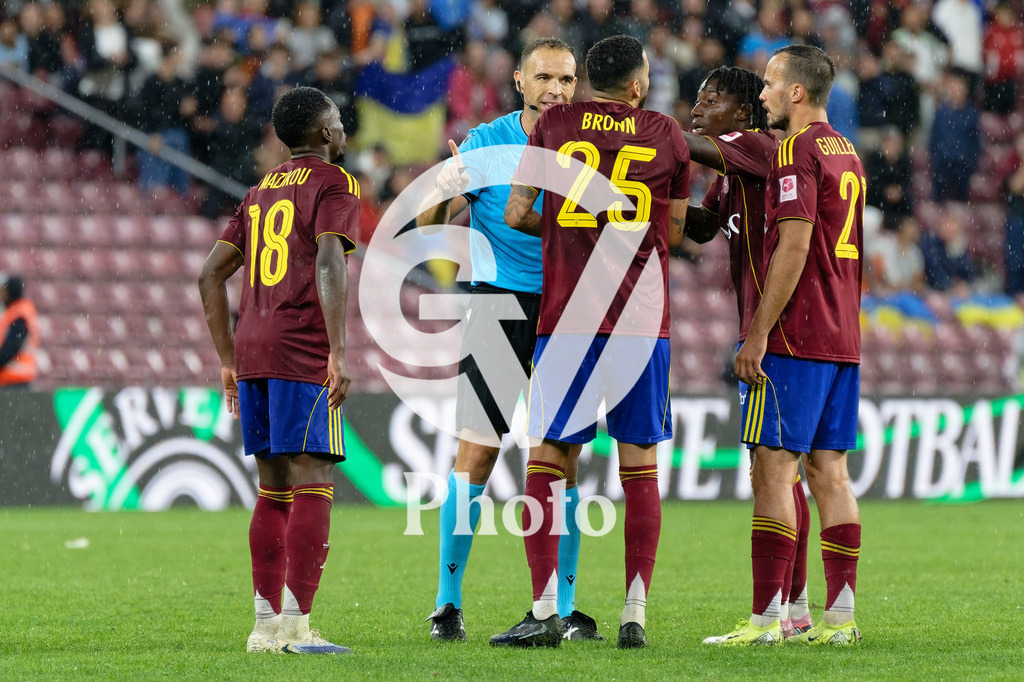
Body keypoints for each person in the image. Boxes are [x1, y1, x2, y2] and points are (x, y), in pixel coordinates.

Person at [500, 34, 690, 649]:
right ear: (637, 86)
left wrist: (565, 228)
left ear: (585, 82)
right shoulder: (664, 133)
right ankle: (634, 614)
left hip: (568, 321)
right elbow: (678, 229)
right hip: (640, 320)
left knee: (549, 462)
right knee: (640, 467)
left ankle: (546, 608)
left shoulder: (554, 122)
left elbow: (516, 213)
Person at [415, 37, 603, 644]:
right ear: (519, 82)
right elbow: (427, 230)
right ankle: (447, 604)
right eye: (545, 77)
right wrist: (446, 188)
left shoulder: (594, 144)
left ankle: (562, 608)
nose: (556, 88)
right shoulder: (487, 142)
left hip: (565, 308)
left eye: (567, 79)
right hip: (497, 301)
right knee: (478, 452)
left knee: (561, 460)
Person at [705, 44, 864, 647]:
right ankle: (839, 620)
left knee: (773, 470)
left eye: (771, 84)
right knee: (830, 474)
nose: (764, 93)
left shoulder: (796, 150)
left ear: (797, 92)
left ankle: (768, 620)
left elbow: (794, 245)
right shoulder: (845, 149)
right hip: (842, 333)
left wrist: (758, 332)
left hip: (796, 337)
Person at [198, 86, 359, 655]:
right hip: (300, 348)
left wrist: (225, 358)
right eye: (337, 121)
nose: (343, 130)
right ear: (321, 133)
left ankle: (264, 627)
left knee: (272, 489)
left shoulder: (258, 191)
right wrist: (337, 350)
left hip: (253, 350)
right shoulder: (334, 183)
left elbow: (209, 275)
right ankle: (297, 627)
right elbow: (329, 258)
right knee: (314, 479)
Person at [681, 65, 814, 641]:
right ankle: (797, 609)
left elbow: (688, 145)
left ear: (741, 115)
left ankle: (765, 618)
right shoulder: (737, 172)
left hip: (772, 334)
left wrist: (631, 132)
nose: (698, 105)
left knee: (770, 472)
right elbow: (705, 228)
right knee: (784, 473)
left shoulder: (760, 148)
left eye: (712, 98)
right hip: (775, 332)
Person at [0, 275, 39, 389]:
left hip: (15, 380)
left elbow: (11, 348)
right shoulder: (20, 311)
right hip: (18, 379)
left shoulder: (19, 315)